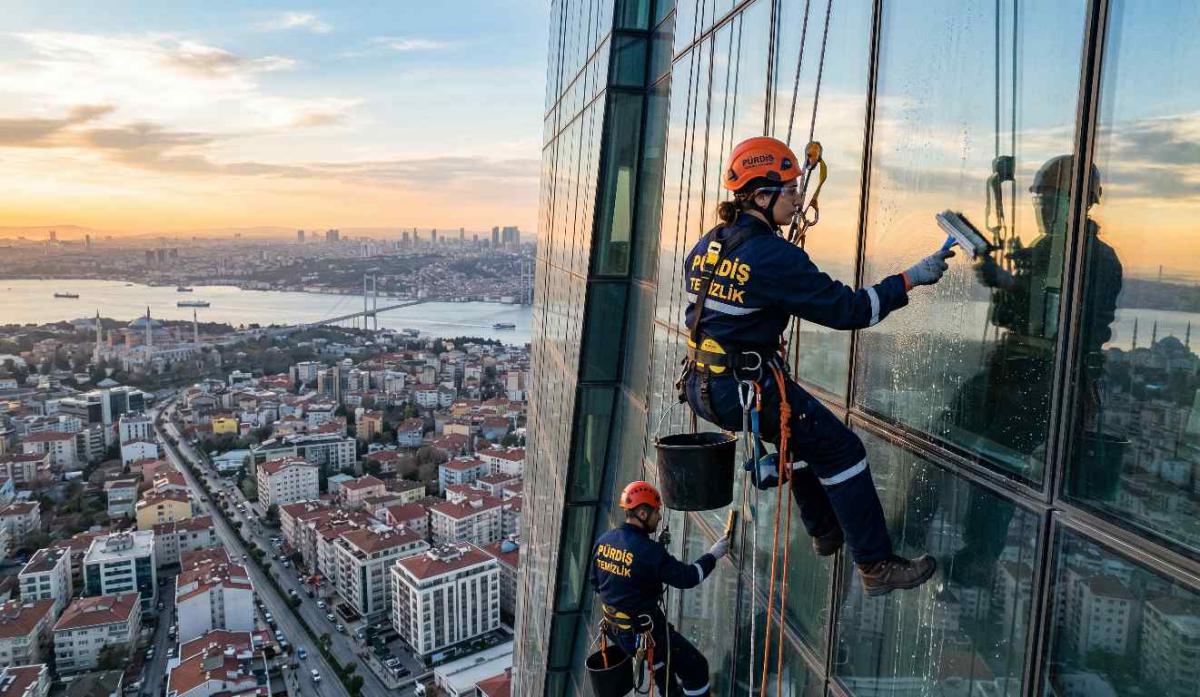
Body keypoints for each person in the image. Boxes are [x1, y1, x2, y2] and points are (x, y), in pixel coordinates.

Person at [681, 136, 951, 596]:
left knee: (802, 434)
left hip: (704, 384)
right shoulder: (771, 255)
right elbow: (850, 310)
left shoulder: (711, 243)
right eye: (790, 190)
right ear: (761, 196)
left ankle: (825, 529)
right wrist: (910, 278)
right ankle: (876, 566)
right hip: (741, 388)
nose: (798, 199)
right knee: (843, 451)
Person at [591, 481, 728, 696]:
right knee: (696, 667)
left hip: (618, 632)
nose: (659, 517)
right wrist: (712, 555)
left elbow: (596, 584)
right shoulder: (649, 552)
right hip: (646, 635)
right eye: (656, 512)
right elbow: (688, 577)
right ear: (642, 513)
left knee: (663, 669)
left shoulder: (604, 541)